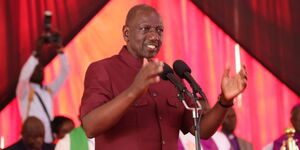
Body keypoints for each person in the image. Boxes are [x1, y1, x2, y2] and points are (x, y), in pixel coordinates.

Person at [80, 4, 248, 150]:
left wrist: (224, 101)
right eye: (145, 29)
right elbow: (90, 126)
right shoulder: (103, 69)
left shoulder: (170, 77)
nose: (154, 36)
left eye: (159, 30)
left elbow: (201, 130)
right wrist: (133, 91)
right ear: (126, 33)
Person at [16, 33, 69, 143]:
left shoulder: (48, 90)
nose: (40, 70)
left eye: (41, 68)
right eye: (35, 68)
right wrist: (36, 53)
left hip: (48, 142)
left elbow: (65, 73)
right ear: (30, 71)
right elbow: (24, 75)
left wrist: (61, 51)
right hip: (30, 142)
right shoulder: (23, 91)